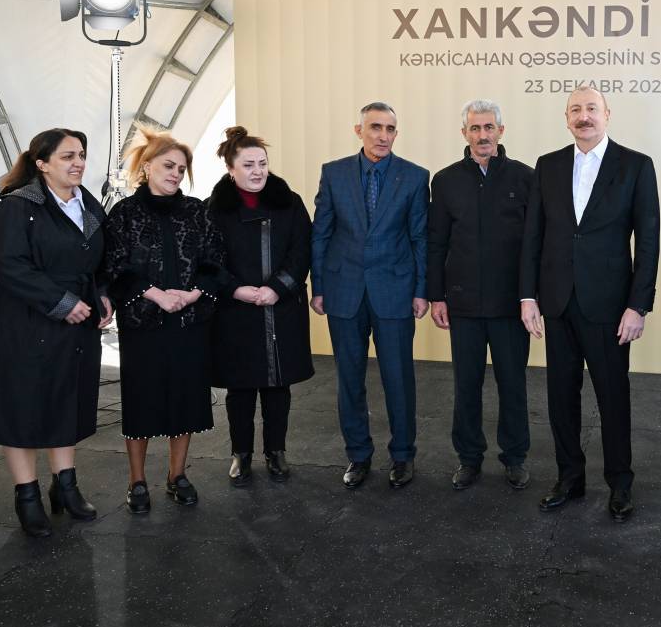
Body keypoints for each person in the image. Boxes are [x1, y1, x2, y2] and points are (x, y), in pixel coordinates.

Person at [519, 84, 659, 522]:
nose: (584, 116)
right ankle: (569, 478)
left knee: (613, 397)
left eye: (592, 108)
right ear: (566, 118)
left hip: (610, 306)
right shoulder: (548, 165)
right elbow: (533, 235)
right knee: (561, 396)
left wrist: (638, 306)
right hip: (557, 302)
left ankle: (620, 483)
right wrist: (528, 296)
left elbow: (648, 241)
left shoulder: (636, 165)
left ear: (607, 114)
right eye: (576, 109)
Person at [0, 129, 114, 537]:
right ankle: (27, 496)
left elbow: (101, 261)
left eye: (81, 154)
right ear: (42, 163)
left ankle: (65, 485)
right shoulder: (17, 207)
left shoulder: (88, 204)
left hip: (75, 324)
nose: (78, 163)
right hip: (23, 324)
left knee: (65, 401)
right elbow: (8, 265)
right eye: (67, 156)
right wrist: (62, 302)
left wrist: (102, 293)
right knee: (22, 409)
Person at [105, 127, 225, 513]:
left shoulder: (197, 211)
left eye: (181, 168)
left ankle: (177, 475)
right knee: (141, 400)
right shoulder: (124, 213)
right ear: (146, 166)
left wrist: (192, 294)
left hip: (189, 322)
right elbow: (114, 265)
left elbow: (214, 260)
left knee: (186, 399)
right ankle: (137, 481)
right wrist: (155, 294)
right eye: (169, 166)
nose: (176, 173)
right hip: (142, 323)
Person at [311, 102, 429, 490]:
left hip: (395, 290)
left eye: (390, 129)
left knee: (399, 378)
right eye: (375, 127)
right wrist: (319, 287)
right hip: (343, 290)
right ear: (358, 130)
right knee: (349, 379)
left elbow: (420, 238)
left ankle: (403, 455)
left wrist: (421, 291)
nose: (383, 135)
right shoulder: (334, 173)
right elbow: (321, 233)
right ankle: (358, 455)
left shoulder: (415, 177)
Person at [427, 100, 534, 491]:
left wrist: (531, 297)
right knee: (466, 385)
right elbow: (436, 242)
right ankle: (469, 458)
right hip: (463, 304)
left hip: (510, 305)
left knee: (513, 384)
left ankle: (515, 457)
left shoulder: (526, 178)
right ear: (465, 134)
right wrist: (436, 296)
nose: (483, 135)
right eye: (475, 128)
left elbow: (534, 244)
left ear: (501, 131)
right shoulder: (445, 181)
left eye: (489, 127)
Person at [207, 126, 314, 487]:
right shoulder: (213, 209)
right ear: (231, 169)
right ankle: (240, 454)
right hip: (235, 309)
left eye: (262, 163)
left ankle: (276, 451)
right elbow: (208, 259)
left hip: (280, 306)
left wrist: (278, 288)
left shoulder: (290, 202)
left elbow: (302, 250)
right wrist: (236, 289)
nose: (257, 171)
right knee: (239, 386)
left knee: (277, 384)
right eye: (248, 164)